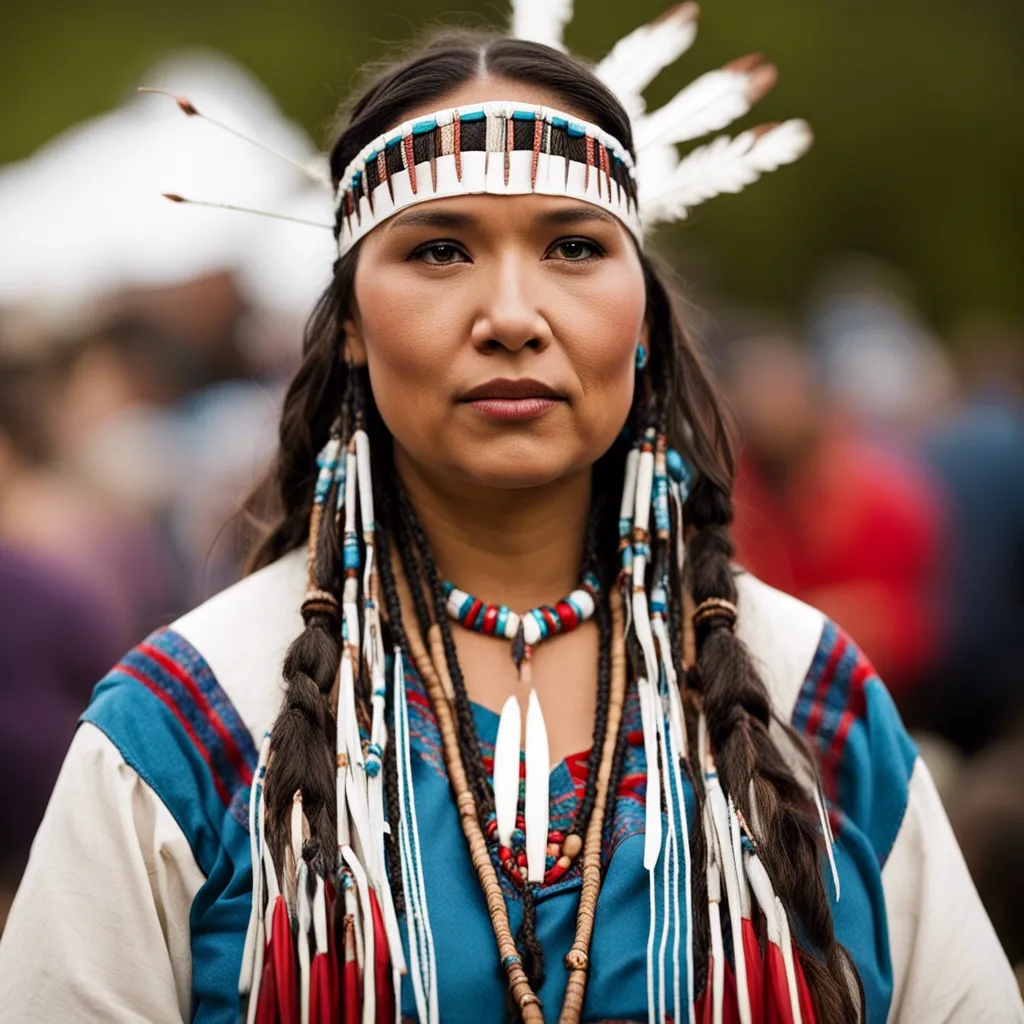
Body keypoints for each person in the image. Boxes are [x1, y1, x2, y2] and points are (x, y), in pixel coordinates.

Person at [0, 5, 1019, 1023]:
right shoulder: (188, 723)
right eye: (440, 251)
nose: (514, 316)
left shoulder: (808, 696)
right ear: (349, 324)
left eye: (573, 247)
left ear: (645, 318)